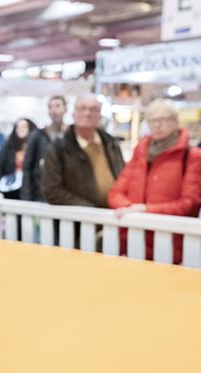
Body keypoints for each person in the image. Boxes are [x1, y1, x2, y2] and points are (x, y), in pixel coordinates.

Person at [108, 99, 201, 264]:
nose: (157, 125)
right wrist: (130, 209)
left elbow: (190, 203)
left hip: (172, 244)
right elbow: (116, 192)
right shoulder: (141, 152)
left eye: (163, 120)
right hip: (134, 240)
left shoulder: (191, 156)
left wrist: (146, 209)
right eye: (152, 120)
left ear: (175, 121)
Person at [42, 94, 125, 207]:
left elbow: (123, 177)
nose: (87, 113)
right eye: (82, 108)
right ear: (73, 114)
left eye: (94, 109)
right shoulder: (58, 148)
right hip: (79, 220)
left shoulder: (111, 144)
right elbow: (52, 191)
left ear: (99, 116)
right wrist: (89, 209)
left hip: (113, 216)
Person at [21, 95, 67, 202]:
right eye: (50, 107)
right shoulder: (37, 135)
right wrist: (26, 197)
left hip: (63, 194)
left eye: (57, 106)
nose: (54, 110)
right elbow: (27, 166)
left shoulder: (70, 135)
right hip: (40, 193)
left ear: (65, 108)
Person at [0, 117, 37, 200]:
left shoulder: (36, 146)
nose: (20, 130)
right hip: (11, 189)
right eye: (18, 127)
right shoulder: (9, 147)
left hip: (31, 189)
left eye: (24, 127)